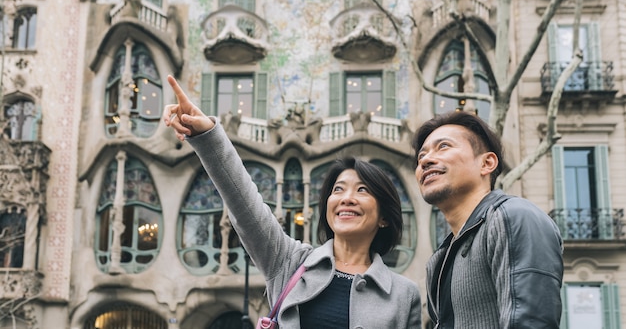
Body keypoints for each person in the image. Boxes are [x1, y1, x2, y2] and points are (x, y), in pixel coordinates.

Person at [163, 75, 421, 328]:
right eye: (338, 189)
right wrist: (208, 136)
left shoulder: (404, 295)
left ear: (385, 217)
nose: (346, 199)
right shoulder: (290, 263)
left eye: (362, 190)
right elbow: (243, 203)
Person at [412, 111, 563, 328]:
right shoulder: (440, 259)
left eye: (443, 146)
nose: (426, 160)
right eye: (421, 156)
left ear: (487, 163)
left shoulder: (513, 216)